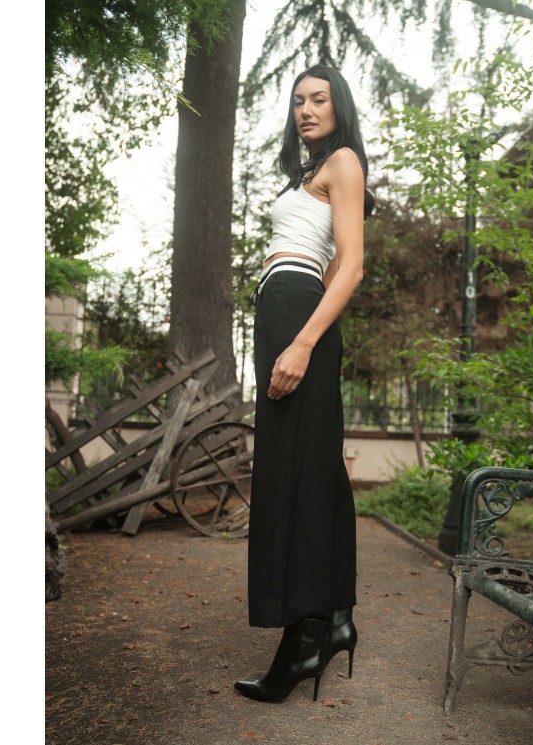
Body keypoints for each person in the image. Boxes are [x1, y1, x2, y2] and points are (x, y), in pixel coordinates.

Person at [234, 64, 374, 704]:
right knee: (315, 469)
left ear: (339, 106)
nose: (306, 109)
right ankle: (332, 618)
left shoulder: (342, 162)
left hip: (298, 310)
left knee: (294, 473)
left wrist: (303, 341)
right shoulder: (310, 170)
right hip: (284, 304)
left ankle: (302, 641)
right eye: (298, 101)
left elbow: (352, 266)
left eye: (319, 99)